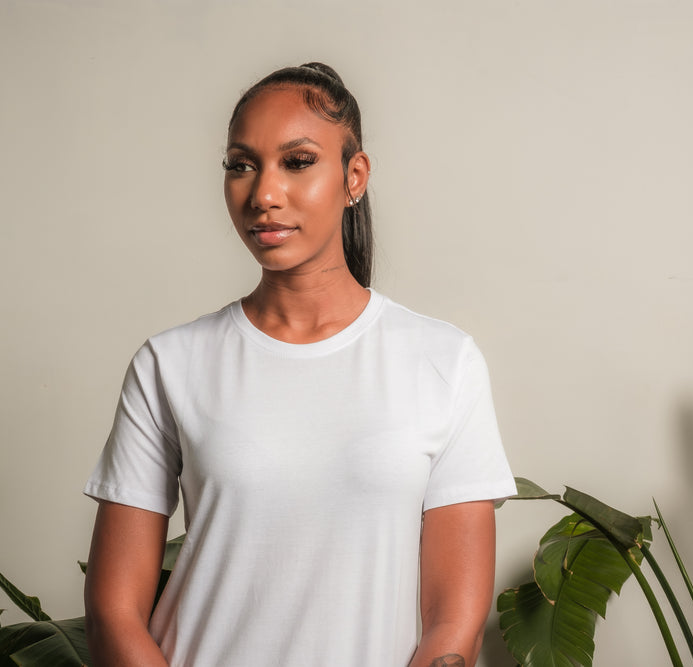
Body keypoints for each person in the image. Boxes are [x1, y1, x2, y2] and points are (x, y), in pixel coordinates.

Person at [83, 62, 516, 667]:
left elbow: (455, 625)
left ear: (354, 175)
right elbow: (113, 612)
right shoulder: (170, 364)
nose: (263, 193)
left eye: (298, 161)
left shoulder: (443, 362)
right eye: (242, 164)